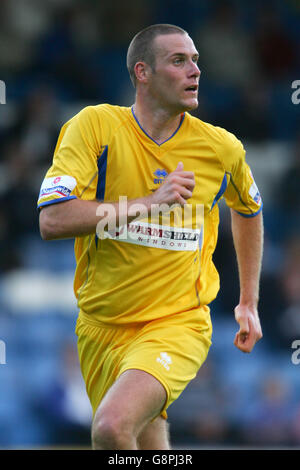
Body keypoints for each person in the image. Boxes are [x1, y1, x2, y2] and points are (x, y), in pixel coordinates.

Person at [38, 24, 263, 450]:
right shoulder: (94, 127)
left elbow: (249, 209)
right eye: (179, 61)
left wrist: (248, 301)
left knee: (111, 427)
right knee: (146, 447)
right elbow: (52, 220)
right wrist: (148, 203)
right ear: (143, 72)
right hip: (100, 326)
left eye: (195, 61)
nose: (194, 70)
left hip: (177, 321)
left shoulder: (221, 148)